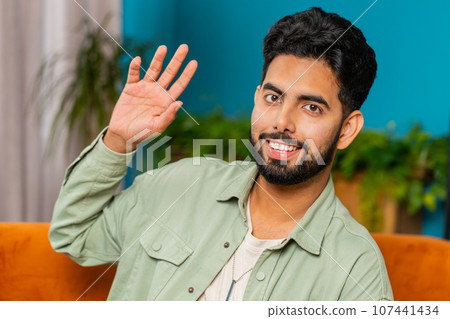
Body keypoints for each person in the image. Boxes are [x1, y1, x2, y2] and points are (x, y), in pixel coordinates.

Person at [49, 7, 393, 301]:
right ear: (258, 97)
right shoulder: (179, 183)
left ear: (347, 129)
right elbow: (72, 234)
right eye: (273, 98)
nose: (282, 122)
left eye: (312, 107)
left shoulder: (356, 268)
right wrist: (118, 141)